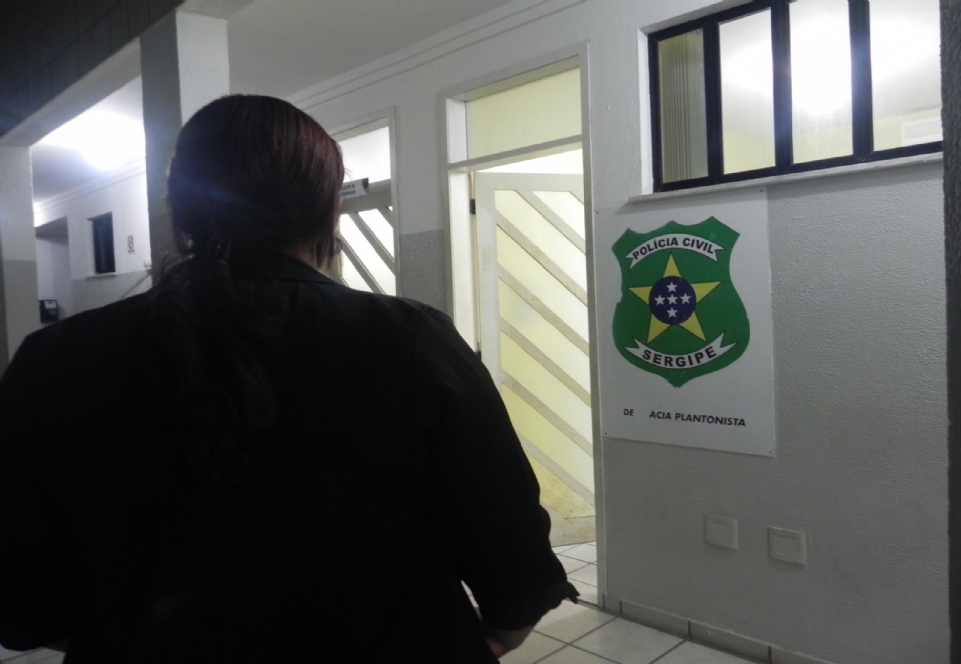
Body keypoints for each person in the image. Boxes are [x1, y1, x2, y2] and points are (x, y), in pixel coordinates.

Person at [0, 95, 577, 663]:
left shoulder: (53, 360)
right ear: (329, 208)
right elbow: (510, 547)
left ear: (179, 209)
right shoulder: (410, 341)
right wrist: (494, 630)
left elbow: (24, 593)